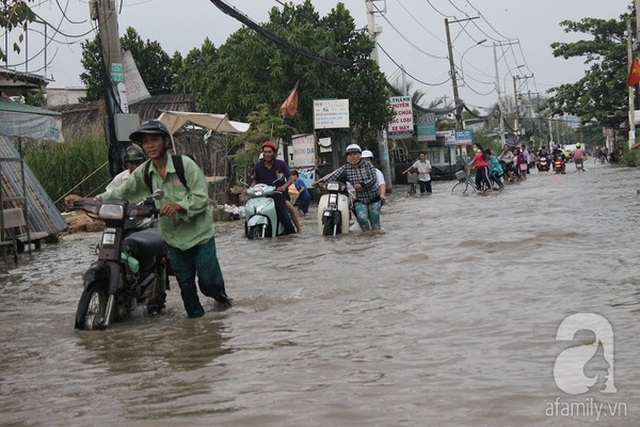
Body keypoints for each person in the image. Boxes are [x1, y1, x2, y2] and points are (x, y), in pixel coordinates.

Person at [65, 119, 233, 318]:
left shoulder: (184, 165)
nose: (150, 145)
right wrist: (88, 200)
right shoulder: (145, 172)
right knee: (187, 292)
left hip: (200, 236)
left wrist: (178, 205)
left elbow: (201, 197)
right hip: (173, 239)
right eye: (146, 142)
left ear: (166, 142)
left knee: (208, 283)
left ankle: (223, 301)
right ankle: (198, 331)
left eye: (155, 140)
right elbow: (122, 192)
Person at [314, 143, 381, 231]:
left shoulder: (368, 165)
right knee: (362, 218)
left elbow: (373, 178)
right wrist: (320, 182)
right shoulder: (346, 168)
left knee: (375, 221)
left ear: (359, 155)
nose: (352, 156)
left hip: (374, 198)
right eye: (350, 154)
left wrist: (362, 184)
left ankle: (375, 237)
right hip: (360, 199)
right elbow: (334, 175)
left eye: (355, 154)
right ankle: (367, 236)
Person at [251, 140, 297, 235]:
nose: (267, 154)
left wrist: (282, 187)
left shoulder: (281, 164)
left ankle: (293, 233)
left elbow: (290, 179)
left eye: (269, 152)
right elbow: (256, 181)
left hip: (278, 197)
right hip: (263, 198)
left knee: (285, 219)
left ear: (274, 153)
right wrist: (249, 190)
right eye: (265, 152)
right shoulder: (258, 166)